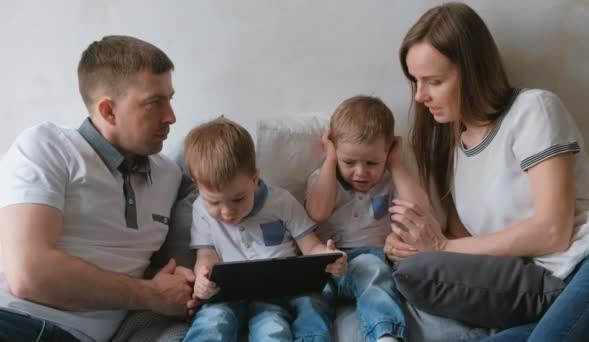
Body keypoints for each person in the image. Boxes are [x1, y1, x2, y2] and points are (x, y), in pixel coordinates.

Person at [385, 2, 589, 341]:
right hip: (552, 284)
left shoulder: (533, 110)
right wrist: (413, 246)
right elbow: (470, 245)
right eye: (415, 81)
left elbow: (553, 231)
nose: (420, 96)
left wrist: (440, 247)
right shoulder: (456, 152)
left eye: (434, 81)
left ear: (473, 71)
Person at [0, 35, 195, 342]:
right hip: (16, 321)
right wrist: (150, 294)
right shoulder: (47, 146)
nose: (171, 116)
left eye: (170, 98)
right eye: (155, 102)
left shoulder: (171, 175)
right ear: (108, 111)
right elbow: (29, 274)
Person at [182, 117, 347, 342]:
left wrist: (328, 257)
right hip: (225, 294)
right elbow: (206, 255)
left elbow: (311, 246)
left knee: (272, 328)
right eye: (214, 202)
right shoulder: (199, 209)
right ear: (197, 185)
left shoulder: (281, 202)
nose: (228, 212)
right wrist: (202, 277)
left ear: (255, 178)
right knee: (211, 322)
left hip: (273, 294)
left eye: (238, 199)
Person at [305, 95, 429, 342]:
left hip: (371, 257)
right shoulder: (323, 178)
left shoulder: (389, 179)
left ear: (388, 151)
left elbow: (420, 209)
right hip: (326, 260)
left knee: (375, 276)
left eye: (372, 162)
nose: (361, 172)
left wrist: (395, 165)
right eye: (349, 162)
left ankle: (385, 334)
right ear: (334, 150)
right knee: (307, 300)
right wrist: (330, 160)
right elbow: (318, 213)